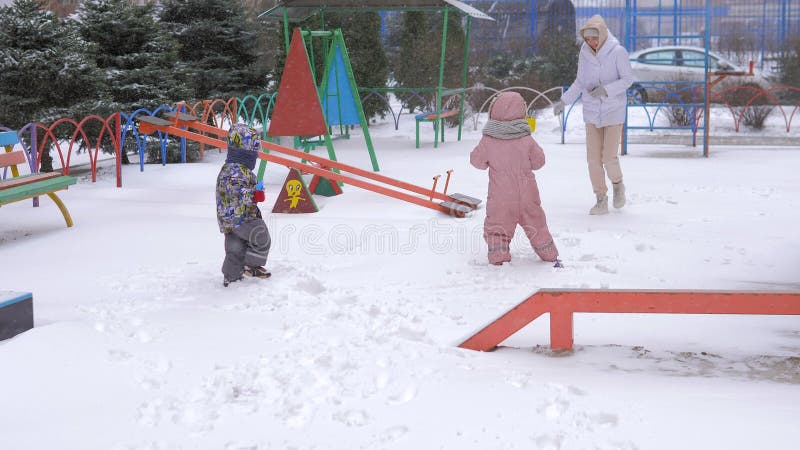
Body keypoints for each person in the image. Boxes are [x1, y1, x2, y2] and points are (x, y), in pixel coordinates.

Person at [552, 14, 633, 215]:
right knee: (593, 160)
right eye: (587, 39)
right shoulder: (585, 53)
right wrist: (564, 101)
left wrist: (606, 89)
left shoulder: (618, 52)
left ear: (603, 34)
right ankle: (600, 198)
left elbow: (628, 79)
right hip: (591, 111)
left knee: (609, 157)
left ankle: (617, 185)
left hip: (613, 111)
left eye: (594, 38)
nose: (591, 42)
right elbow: (580, 82)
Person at [470, 91, 561, 267]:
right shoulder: (526, 138)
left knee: (497, 227)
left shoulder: (489, 139)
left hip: (500, 198)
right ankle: (549, 254)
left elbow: (477, 161)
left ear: (493, 111)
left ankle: (498, 257)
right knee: (537, 225)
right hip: (528, 195)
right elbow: (539, 161)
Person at [216, 123, 272, 287]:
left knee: (235, 248)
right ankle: (251, 264)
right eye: (254, 153)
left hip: (229, 219)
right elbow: (234, 191)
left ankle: (231, 277)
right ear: (245, 153)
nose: (256, 156)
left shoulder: (232, 169)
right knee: (261, 235)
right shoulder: (235, 170)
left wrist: (255, 189)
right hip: (241, 217)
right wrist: (253, 194)